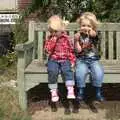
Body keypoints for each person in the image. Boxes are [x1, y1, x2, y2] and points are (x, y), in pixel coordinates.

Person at [44, 15, 76, 103]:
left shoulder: (66, 38)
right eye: (51, 31)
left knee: (67, 70)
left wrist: (72, 60)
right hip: (53, 59)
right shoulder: (50, 38)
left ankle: (70, 88)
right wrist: (52, 41)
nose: (53, 33)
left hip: (65, 59)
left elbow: (71, 50)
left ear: (61, 30)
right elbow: (47, 50)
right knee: (52, 71)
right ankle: (53, 91)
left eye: (55, 31)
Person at [74, 12, 104, 102]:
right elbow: (78, 50)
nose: (86, 27)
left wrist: (93, 32)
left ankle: (98, 93)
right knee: (80, 72)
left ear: (93, 27)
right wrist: (75, 41)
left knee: (98, 72)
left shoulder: (94, 35)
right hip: (82, 59)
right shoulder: (78, 36)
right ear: (80, 25)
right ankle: (80, 92)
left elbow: (96, 36)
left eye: (89, 26)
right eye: (83, 25)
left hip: (94, 60)